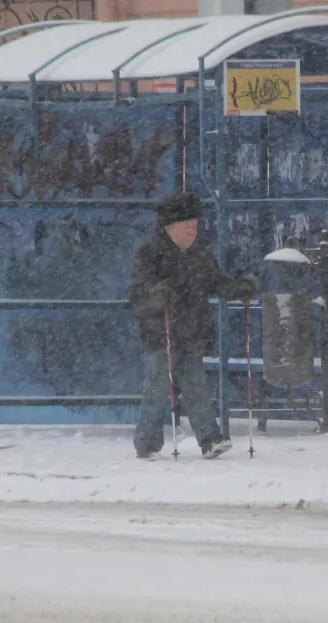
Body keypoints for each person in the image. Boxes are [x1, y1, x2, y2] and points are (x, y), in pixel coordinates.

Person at [127, 191, 258, 460]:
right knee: (159, 384)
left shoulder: (201, 254)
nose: (192, 228)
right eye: (186, 223)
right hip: (159, 331)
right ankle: (146, 441)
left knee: (196, 384)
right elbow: (137, 293)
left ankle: (209, 439)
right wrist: (157, 296)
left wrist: (240, 289)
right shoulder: (150, 253)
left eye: (195, 224)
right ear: (168, 227)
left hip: (190, 330)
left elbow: (217, 283)